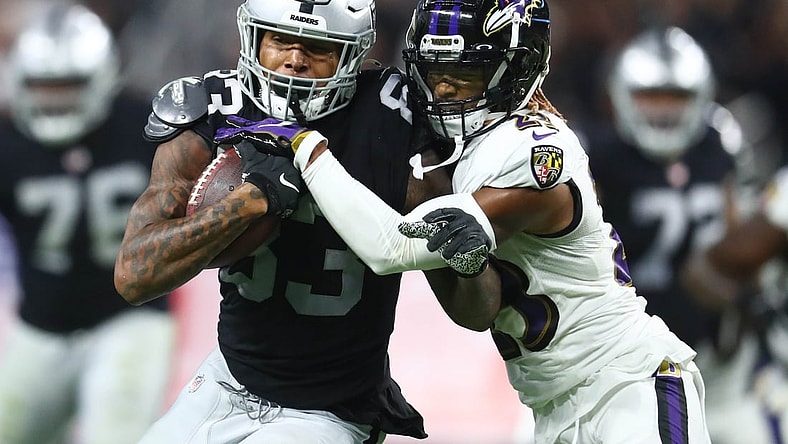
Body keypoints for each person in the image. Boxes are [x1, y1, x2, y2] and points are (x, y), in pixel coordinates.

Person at [224, 1, 713, 442]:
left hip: (627, 380)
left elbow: (389, 250)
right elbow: (474, 314)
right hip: (551, 406)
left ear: (516, 71)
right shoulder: (461, 149)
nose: (442, 89)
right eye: (433, 70)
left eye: (467, 73)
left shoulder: (530, 151)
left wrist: (306, 146)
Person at [114, 0, 450, 442]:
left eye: (318, 46)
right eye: (280, 41)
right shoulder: (215, 111)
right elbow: (134, 276)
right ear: (253, 38)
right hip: (228, 377)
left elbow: (464, 295)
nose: (294, 59)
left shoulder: (395, 122)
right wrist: (246, 205)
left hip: (331, 406)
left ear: (352, 54)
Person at [585, 26, 777, 444]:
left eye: (676, 96)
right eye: (651, 96)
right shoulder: (596, 155)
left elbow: (741, 225)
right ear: (621, 94)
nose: (664, 110)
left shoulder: (720, 141)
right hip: (629, 358)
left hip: (719, 355)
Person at [0, 4, 175, 444]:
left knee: (114, 433)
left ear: (101, 78)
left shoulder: (146, 126)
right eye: (45, 86)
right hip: (41, 326)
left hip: (130, 320)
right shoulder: (8, 142)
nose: (56, 99)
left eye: (69, 86)